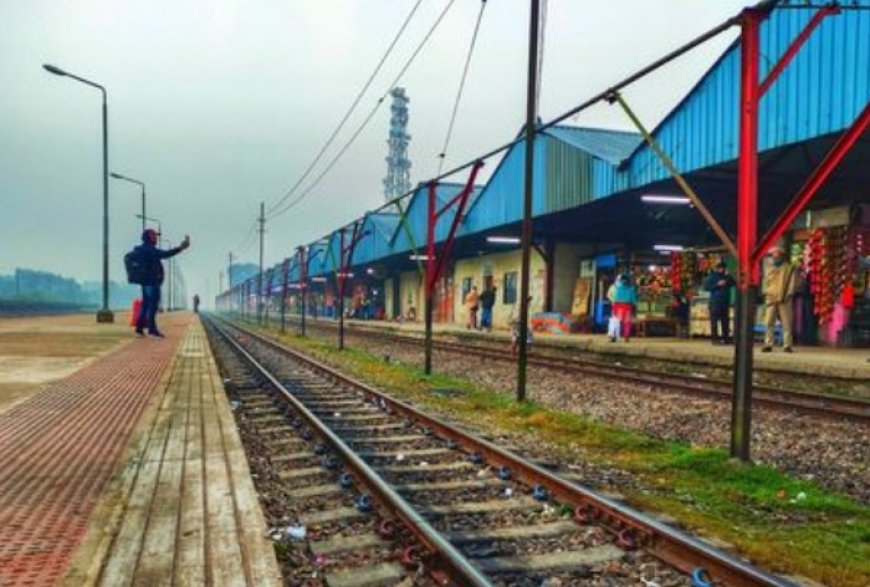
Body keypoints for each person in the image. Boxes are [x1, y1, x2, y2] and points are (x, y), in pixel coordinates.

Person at [134, 229, 190, 337]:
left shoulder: (143, 249)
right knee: (152, 306)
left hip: (146, 282)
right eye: (154, 235)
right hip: (152, 282)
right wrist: (180, 248)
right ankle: (152, 330)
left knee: (145, 305)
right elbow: (165, 254)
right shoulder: (149, 250)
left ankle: (139, 329)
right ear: (149, 237)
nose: (156, 237)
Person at [762, 245, 798, 353]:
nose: (774, 257)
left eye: (776, 254)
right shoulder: (768, 268)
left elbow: (792, 283)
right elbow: (765, 283)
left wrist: (788, 294)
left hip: (784, 298)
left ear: (781, 255)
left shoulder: (789, 268)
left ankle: (787, 345)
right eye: (773, 255)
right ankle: (768, 343)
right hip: (771, 298)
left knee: (786, 323)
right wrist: (766, 294)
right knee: (769, 322)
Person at [703, 261, 735, 345]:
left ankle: (726, 338)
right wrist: (717, 285)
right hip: (715, 302)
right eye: (720, 268)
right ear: (717, 269)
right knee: (714, 322)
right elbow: (706, 287)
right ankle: (715, 339)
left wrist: (728, 276)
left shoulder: (726, 277)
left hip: (724, 302)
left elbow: (733, 282)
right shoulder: (712, 277)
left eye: (724, 268)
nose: (722, 270)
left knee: (725, 321)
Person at [607, 274, 637, 342]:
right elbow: (633, 299)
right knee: (627, 322)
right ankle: (626, 336)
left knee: (615, 322)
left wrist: (613, 301)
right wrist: (635, 304)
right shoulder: (631, 288)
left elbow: (610, 296)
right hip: (627, 307)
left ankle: (612, 336)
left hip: (617, 306)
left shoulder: (615, 287)